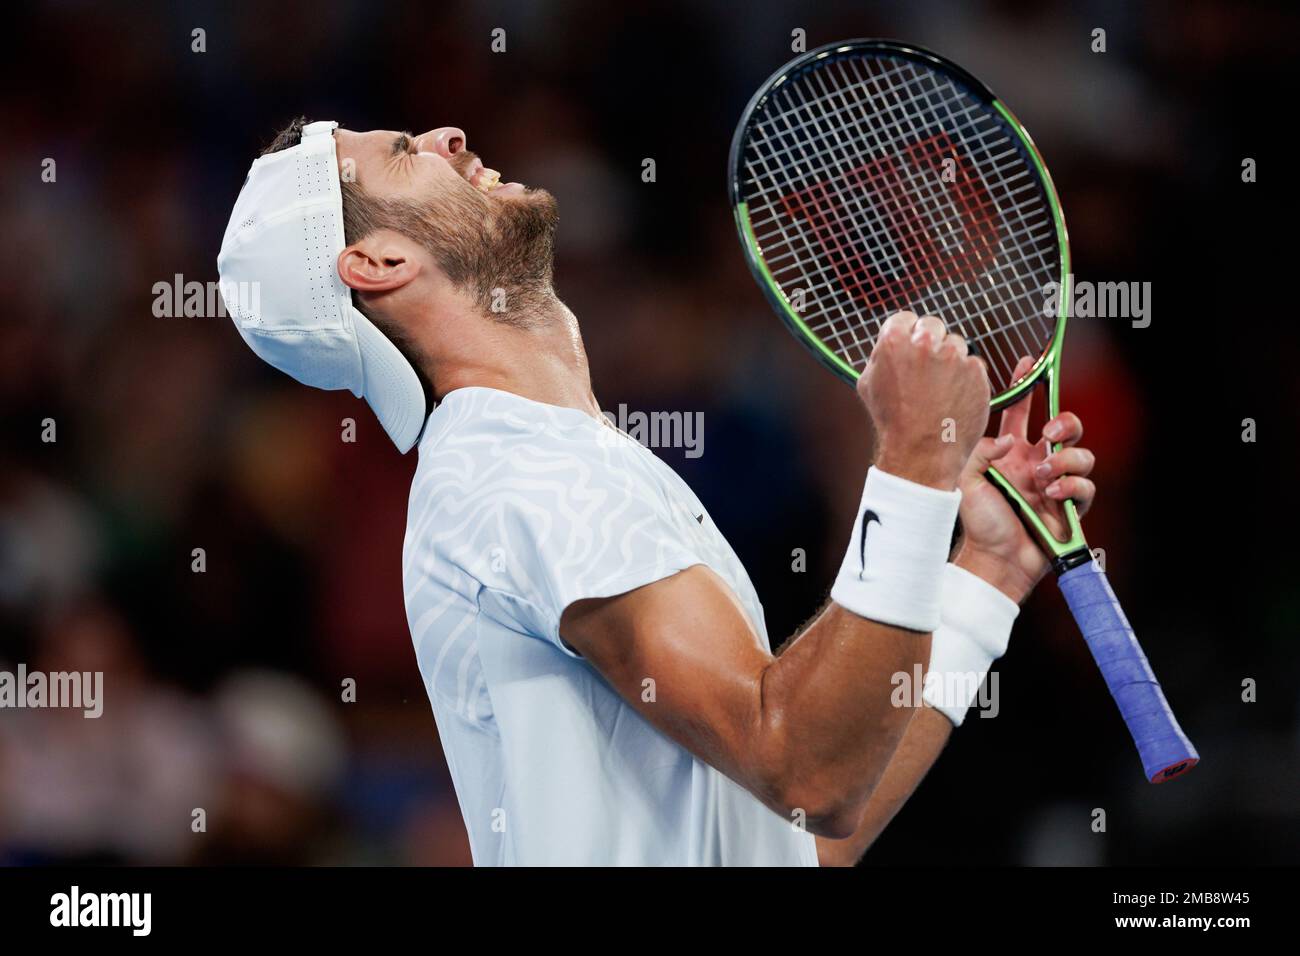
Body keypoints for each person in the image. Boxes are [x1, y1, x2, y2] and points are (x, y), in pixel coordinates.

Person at [217, 118, 1096, 866]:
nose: (449, 136)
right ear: (378, 260)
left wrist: (986, 572)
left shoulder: (545, 462)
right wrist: (911, 466)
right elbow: (808, 771)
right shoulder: (521, 477)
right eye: (407, 153)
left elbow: (809, 829)